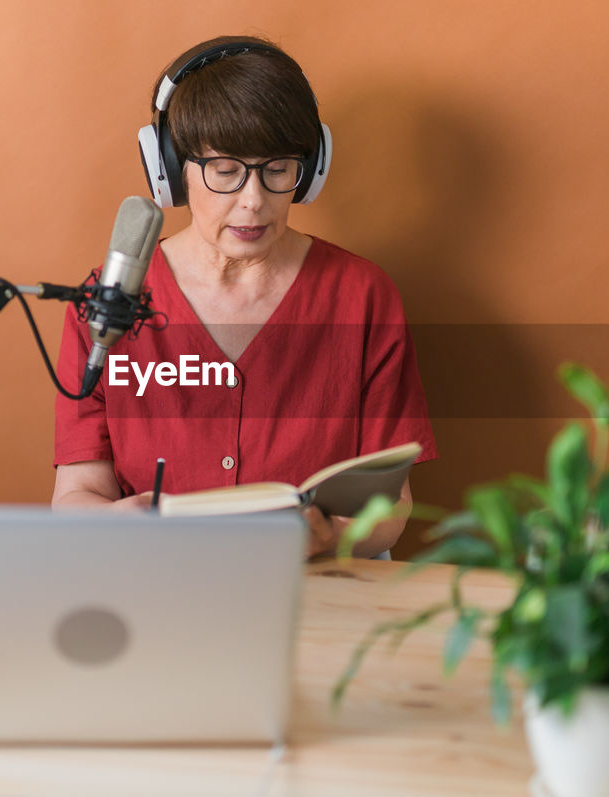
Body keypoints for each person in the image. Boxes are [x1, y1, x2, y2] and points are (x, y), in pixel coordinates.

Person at [51, 36, 437, 559]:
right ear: (171, 171)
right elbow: (77, 494)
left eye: (277, 170)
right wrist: (114, 524)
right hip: (156, 581)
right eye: (226, 171)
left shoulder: (363, 296)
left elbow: (390, 506)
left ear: (309, 171)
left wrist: (337, 536)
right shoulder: (109, 301)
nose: (254, 202)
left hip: (319, 590)